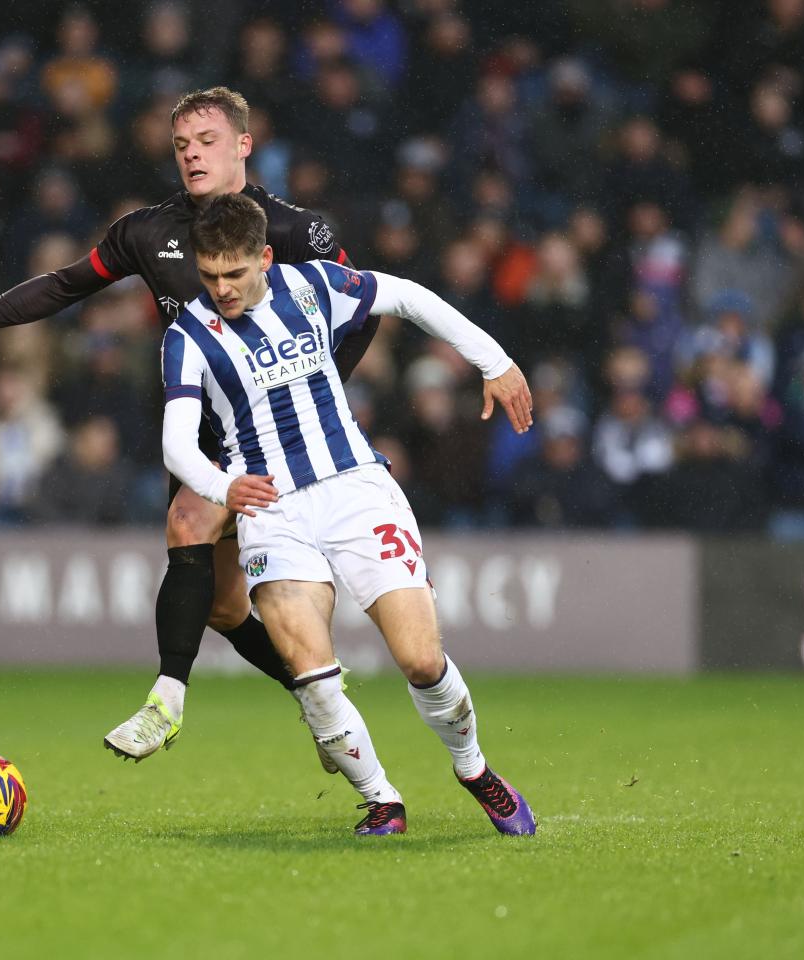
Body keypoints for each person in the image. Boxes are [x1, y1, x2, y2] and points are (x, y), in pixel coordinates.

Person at [0, 87, 380, 761]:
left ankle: (167, 702)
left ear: (244, 144)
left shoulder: (298, 231)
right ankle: (319, 701)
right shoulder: (148, 233)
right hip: (205, 433)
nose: (192, 155)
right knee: (221, 607)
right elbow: (66, 284)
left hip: (282, 437)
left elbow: (366, 312)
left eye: (208, 141)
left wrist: (317, 391)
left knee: (192, 527)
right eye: (181, 145)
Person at [160, 192, 536, 836]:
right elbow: (176, 439)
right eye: (209, 274)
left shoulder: (312, 285)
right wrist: (224, 486)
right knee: (312, 676)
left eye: (234, 274)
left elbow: (411, 297)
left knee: (420, 660)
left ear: (265, 258)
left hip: (356, 491)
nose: (220, 288)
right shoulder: (187, 335)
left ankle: (474, 769)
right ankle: (381, 800)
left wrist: (494, 361)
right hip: (272, 510)